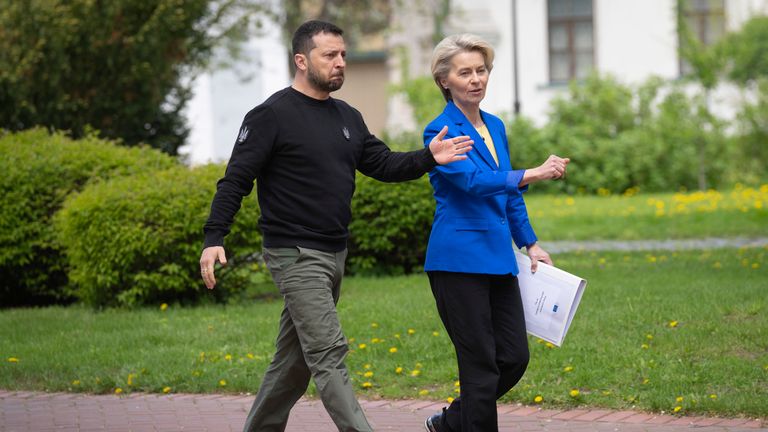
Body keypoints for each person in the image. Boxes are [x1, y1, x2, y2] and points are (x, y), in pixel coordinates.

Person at [199, 20, 473, 432]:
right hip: (294, 253)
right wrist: (213, 236)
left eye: (343, 54)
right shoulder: (271, 115)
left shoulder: (347, 116)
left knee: (292, 364)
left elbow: (382, 164)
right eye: (330, 55)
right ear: (301, 60)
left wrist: (429, 156)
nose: (341, 62)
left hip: (333, 252)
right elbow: (236, 178)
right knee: (328, 352)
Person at [421, 34, 570, 432]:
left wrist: (531, 243)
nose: (476, 79)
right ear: (444, 81)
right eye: (464, 72)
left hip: (499, 260)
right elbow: (474, 182)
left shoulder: (495, 126)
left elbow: (507, 193)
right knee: (481, 366)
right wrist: (531, 173)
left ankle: (451, 422)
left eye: (481, 70)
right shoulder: (440, 131)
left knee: (513, 357)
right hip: (457, 262)